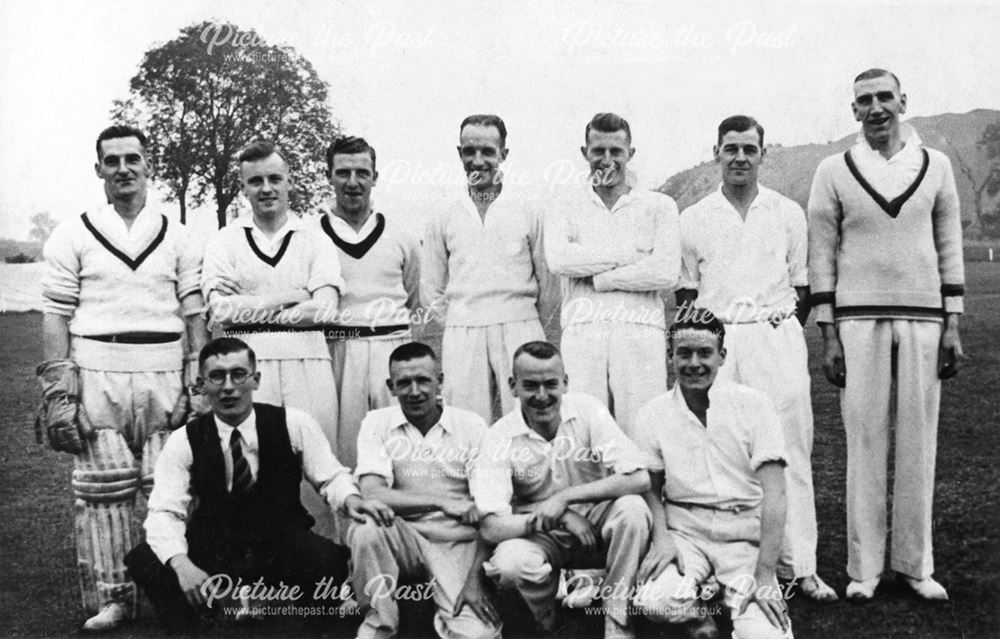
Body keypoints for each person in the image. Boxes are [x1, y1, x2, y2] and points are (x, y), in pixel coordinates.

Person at [38, 124, 208, 631]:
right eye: (112, 162)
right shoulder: (73, 232)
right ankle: (114, 599)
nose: (123, 169)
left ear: (149, 165)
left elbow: (194, 309)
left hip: (164, 370)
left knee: (171, 487)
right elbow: (55, 312)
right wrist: (58, 390)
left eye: (132, 159)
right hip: (97, 371)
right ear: (99, 171)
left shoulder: (177, 233)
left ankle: (180, 594)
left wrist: (196, 381)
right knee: (102, 489)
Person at [807, 68, 965, 602]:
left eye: (884, 97)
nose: (876, 107)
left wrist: (954, 324)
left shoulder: (937, 165)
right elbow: (822, 255)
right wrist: (828, 334)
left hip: (924, 318)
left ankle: (915, 566)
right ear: (853, 111)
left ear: (903, 100)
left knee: (919, 440)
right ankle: (865, 568)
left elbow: (949, 245)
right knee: (865, 440)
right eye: (864, 100)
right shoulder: (833, 169)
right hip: (857, 319)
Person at [124, 337, 393, 633]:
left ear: (256, 379)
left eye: (238, 374)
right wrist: (181, 564)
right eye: (217, 376)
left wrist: (352, 500)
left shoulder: (293, 423)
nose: (228, 386)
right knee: (147, 560)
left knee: (326, 560)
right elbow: (163, 512)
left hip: (280, 541)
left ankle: (317, 626)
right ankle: (192, 626)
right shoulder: (183, 440)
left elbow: (331, 476)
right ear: (201, 385)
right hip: (217, 546)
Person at [675, 115, 836, 601]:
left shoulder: (787, 212)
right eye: (731, 149)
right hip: (717, 345)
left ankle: (800, 566)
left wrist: (782, 324)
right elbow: (686, 293)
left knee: (788, 450)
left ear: (763, 154)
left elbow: (803, 286)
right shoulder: (694, 217)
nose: (740, 157)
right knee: (721, 454)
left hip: (773, 339)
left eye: (749, 148)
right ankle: (728, 568)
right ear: (716, 153)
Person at [201, 140, 345, 539]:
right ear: (243, 187)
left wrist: (247, 303)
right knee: (250, 466)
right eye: (256, 181)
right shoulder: (224, 240)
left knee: (315, 462)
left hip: (309, 361)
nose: (266, 189)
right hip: (249, 365)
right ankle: (258, 582)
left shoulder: (315, 237)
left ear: (289, 182)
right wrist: (291, 297)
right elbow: (220, 313)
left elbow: (327, 310)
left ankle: (327, 574)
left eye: (274, 179)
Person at [471, 341, 652, 639]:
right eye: (530, 385)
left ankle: (617, 619)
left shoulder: (588, 410)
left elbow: (639, 478)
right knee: (509, 564)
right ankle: (546, 620)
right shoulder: (499, 435)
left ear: (565, 383)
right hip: (542, 532)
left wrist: (564, 498)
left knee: (633, 510)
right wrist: (560, 516)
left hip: (597, 523)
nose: (542, 396)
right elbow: (490, 527)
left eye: (550, 384)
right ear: (513, 386)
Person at [632, 311, 792, 639]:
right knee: (654, 601)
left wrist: (764, 575)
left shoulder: (755, 405)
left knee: (766, 637)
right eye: (684, 353)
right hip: (686, 533)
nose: (694, 363)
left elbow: (775, 493)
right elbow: (651, 487)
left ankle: (724, 594)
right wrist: (661, 538)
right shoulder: (651, 413)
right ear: (670, 357)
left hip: (744, 536)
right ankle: (700, 612)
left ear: (722, 356)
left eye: (705, 353)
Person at [348, 342, 502, 639]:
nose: (415, 391)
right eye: (404, 383)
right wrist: (441, 501)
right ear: (390, 387)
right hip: (403, 537)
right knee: (366, 526)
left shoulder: (471, 425)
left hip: (457, 542)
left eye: (424, 380)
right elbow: (372, 494)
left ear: (440, 381)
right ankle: (379, 625)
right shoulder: (377, 423)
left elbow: (490, 508)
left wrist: (474, 580)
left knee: (477, 635)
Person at [544, 112, 681, 437]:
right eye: (598, 151)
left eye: (616, 152)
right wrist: (627, 256)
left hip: (640, 330)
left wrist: (603, 279)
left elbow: (665, 273)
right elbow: (560, 261)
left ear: (630, 153)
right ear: (584, 153)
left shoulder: (659, 205)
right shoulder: (563, 203)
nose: (607, 160)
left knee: (642, 435)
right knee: (583, 434)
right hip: (583, 331)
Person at [422, 114, 558, 423]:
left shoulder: (529, 208)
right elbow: (431, 288)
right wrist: (463, 318)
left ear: (503, 154)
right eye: (469, 152)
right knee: (465, 423)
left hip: (519, 325)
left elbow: (549, 284)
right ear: (460, 154)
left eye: (487, 152)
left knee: (529, 419)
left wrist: (522, 316)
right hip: (463, 331)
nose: (478, 160)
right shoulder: (443, 212)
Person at [315, 135, 421, 469]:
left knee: (401, 446)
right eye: (343, 172)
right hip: (339, 349)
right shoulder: (311, 235)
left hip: (392, 347)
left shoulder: (401, 235)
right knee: (345, 451)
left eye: (362, 172)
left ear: (375, 177)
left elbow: (416, 298)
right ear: (329, 175)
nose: (352, 182)